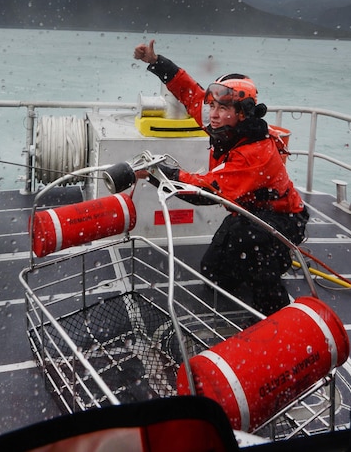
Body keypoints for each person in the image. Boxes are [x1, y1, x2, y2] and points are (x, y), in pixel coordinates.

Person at [132, 39, 308, 315]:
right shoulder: (224, 126)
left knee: (260, 268)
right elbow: (189, 92)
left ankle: (277, 315)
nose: (212, 115)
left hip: (283, 220)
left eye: (223, 108)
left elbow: (207, 191)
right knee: (213, 275)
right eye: (212, 106)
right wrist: (156, 62)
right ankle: (255, 266)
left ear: (242, 113)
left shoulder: (255, 152)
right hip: (247, 213)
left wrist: (156, 173)